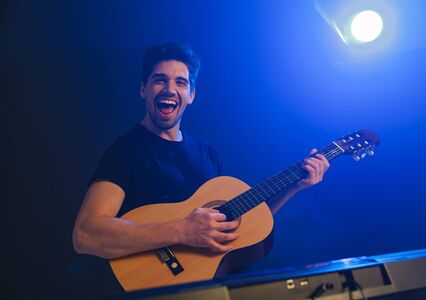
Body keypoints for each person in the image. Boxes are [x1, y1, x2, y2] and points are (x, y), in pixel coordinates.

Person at [72, 42, 329, 260]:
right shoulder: (124, 151)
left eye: (180, 83)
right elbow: (86, 234)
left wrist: (295, 185)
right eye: (159, 80)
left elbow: (238, 225)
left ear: (191, 94)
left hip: (212, 282)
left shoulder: (207, 153)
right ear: (143, 90)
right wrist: (181, 231)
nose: (170, 89)